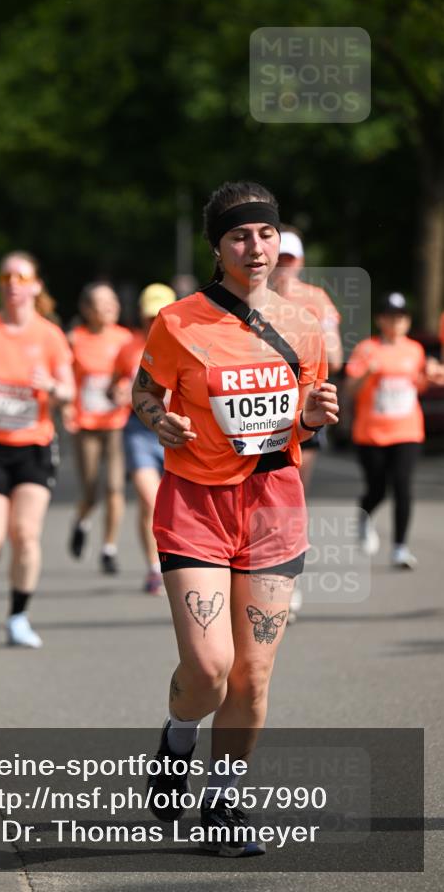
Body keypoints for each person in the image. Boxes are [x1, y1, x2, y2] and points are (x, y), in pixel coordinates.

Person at [132, 181, 338, 856]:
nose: (254, 247)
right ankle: (176, 734)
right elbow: (143, 390)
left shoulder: (305, 324)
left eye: (264, 234)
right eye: (238, 236)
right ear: (218, 247)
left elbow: (303, 415)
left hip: (272, 506)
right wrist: (157, 418)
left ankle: (222, 804)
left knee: (251, 676)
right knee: (210, 668)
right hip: (194, 502)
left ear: (278, 241)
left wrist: (310, 419)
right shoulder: (179, 322)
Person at [0, 252, 74, 647]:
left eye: (21, 276)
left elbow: (69, 390)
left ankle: (18, 617)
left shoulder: (50, 336)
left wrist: (51, 387)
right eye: (5, 275)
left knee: (25, 534)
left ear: (35, 286)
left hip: (33, 447)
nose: (12, 283)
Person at [269, 229, 343, 622]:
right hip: (259, 415)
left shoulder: (315, 300)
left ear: (299, 262)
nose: (283, 266)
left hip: (302, 412)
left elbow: (335, 349)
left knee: (291, 498)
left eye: (290, 259)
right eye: (278, 258)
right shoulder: (246, 298)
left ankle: (287, 583)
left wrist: (317, 341)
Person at [345, 292, 444, 569]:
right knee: (377, 488)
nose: (396, 322)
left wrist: (432, 375)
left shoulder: (415, 350)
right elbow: (350, 390)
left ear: (407, 321)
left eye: (401, 317)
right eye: (390, 316)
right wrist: (368, 373)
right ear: (380, 320)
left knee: (403, 486)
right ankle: (365, 516)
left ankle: (400, 547)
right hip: (371, 433)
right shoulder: (367, 349)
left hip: (407, 431)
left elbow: (420, 384)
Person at [110, 284, 177, 595]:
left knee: (175, 504)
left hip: (177, 431)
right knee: (150, 500)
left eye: (160, 314)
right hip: (139, 430)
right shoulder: (129, 347)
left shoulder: (186, 342)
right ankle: (153, 568)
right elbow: (113, 386)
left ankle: (178, 561)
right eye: (150, 315)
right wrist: (119, 393)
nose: (155, 322)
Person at [65, 283, 133, 574]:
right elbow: (65, 377)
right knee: (91, 491)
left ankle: (109, 548)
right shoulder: (74, 339)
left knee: (115, 487)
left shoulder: (125, 338)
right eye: (100, 303)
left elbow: (134, 374)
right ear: (86, 310)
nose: (108, 307)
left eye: (112, 301)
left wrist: (124, 389)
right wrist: (66, 406)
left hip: (116, 424)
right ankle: (81, 520)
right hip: (86, 425)